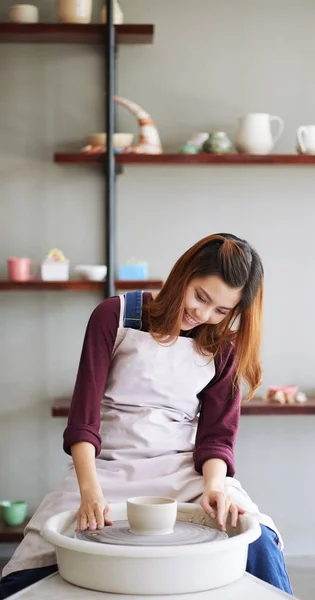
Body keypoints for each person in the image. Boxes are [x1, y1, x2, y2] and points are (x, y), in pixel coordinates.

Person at [0, 233, 292, 598]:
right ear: (184, 274)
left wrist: (215, 488)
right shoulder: (115, 316)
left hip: (182, 471)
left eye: (221, 310)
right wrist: (90, 492)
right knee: (29, 570)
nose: (203, 314)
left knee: (259, 541)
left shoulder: (223, 347)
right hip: (102, 468)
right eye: (201, 296)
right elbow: (83, 422)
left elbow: (216, 438)